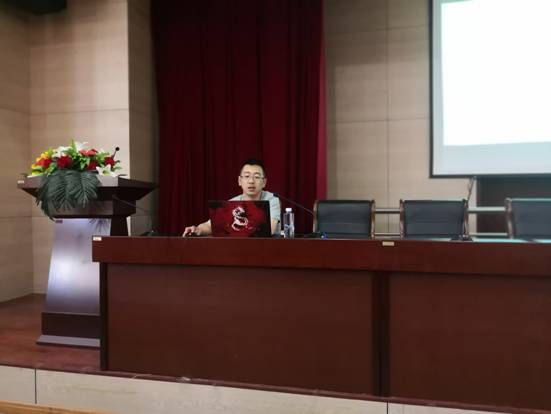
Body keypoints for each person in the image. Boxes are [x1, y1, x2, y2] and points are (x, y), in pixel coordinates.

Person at [183, 159, 281, 236]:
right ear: (239, 181)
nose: (251, 181)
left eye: (256, 177)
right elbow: (211, 225)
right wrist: (197, 229)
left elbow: (270, 229)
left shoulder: (272, 199)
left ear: (264, 182)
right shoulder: (231, 203)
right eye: (247, 176)